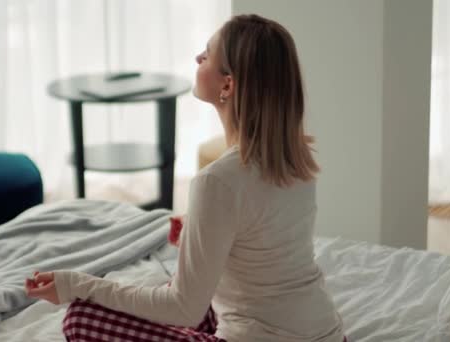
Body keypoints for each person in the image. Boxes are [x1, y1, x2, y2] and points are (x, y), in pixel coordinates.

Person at [24, 14, 345, 342]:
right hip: (328, 333)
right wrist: (199, 226)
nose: (197, 58)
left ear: (228, 84)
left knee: (81, 317)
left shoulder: (217, 181)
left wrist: (76, 284)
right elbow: (264, 237)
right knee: (185, 292)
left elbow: (183, 309)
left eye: (207, 54)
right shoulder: (296, 158)